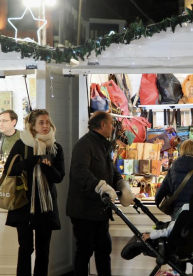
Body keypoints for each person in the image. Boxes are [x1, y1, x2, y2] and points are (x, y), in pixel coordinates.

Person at [67, 111, 135, 276]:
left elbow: (110, 170)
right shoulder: (84, 145)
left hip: (100, 210)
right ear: (103, 125)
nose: (113, 127)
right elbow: (79, 171)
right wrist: (100, 186)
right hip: (84, 210)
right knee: (84, 252)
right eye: (111, 123)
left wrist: (121, 184)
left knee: (104, 250)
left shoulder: (103, 145)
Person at [4, 109, 65, 276]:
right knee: (25, 247)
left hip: (45, 205)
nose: (46, 126)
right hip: (23, 203)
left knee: (43, 251)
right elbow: (9, 171)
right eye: (41, 122)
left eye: (47, 122)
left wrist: (46, 166)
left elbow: (59, 177)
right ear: (32, 126)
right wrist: (31, 161)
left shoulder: (55, 147)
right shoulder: (21, 145)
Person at [155, 139, 193, 272]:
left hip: (178, 222)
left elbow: (158, 196)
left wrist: (171, 212)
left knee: (178, 257)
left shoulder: (173, 170)